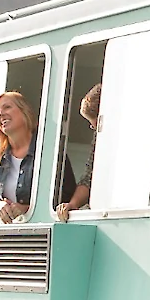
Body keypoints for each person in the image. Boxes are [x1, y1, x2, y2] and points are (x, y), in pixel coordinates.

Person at [0, 91, 37, 223]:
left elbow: (63, 198)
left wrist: (27, 209)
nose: (0, 114)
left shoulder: (46, 150)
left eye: (7, 107)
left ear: (24, 111)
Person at [54, 84, 103, 220]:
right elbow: (89, 177)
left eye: (94, 123)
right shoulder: (99, 138)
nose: (92, 127)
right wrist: (73, 204)